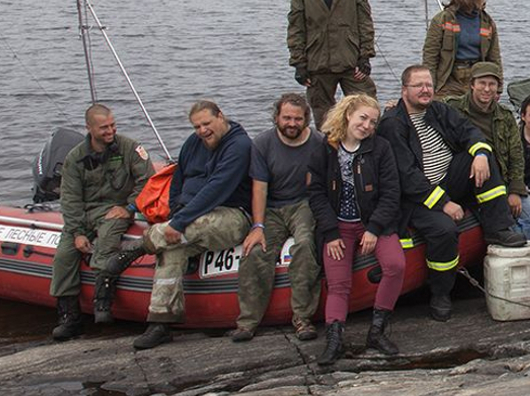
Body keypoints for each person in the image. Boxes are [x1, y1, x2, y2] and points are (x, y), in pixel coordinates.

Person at [379, 65, 525, 322]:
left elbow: (468, 131)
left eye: (429, 85)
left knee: (483, 155)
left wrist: (480, 153)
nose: (425, 90)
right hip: (417, 198)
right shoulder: (393, 124)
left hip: (447, 180)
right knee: (444, 230)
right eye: (418, 85)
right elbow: (407, 176)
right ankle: (440, 293)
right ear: (404, 90)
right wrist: (444, 203)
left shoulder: (438, 110)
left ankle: (498, 227)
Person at [130, 100, 252, 350]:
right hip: (191, 214)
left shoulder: (239, 145)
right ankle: (161, 322)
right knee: (171, 249)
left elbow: (216, 189)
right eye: (197, 126)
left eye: (207, 123)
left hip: (232, 215)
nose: (202, 131)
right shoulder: (192, 143)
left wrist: (179, 222)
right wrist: (177, 212)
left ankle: (136, 249)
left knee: (184, 229)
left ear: (221, 116)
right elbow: (178, 180)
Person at [309, 94, 405, 365]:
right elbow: (316, 194)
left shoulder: (381, 148)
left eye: (373, 122)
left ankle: (377, 331)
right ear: (348, 114)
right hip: (338, 225)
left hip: (373, 222)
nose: (367, 126)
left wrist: (374, 228)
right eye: (363, 118)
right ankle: (334, 339)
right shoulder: (325, 148)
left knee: (395, 265)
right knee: (338, 284)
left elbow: (391, 193)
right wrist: (330, 233)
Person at [50, 104, 153, 340]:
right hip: (85, 214)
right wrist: (77, 232)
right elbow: (70, 199)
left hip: (114, 210)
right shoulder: (75, 158)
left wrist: (129, 208)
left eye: (112, 125)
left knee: (106, 241)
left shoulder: (129, 148)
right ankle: (69, 317)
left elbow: (147, 181)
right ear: (89, 128)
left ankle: (102, 301)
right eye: (104, 127)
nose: (110, 131)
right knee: (64, 256)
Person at [231, 93, 324, 343]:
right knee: (256, 252)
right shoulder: (263, 143)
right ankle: (247, 321)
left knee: (306, 245)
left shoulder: (318, 142)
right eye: (287, 118)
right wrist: (258, 226)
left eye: (297, 119)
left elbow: (318, 184)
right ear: (277, 118)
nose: (292, 123)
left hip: (303, 204)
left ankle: (302, 318)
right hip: (272, 207)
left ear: (306, 119)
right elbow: (259, 188)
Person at [445, 62, 530, 242]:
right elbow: (424, 108)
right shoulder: (453, 107)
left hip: (500, 180)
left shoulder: (505, 116)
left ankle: (520, 254)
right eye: (482, 83)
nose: (487, 89)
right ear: (472, 84)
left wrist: (515, 190)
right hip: (467, 177)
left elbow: (516, 157)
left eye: (492, 84)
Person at [288, 0, 377, 126]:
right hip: (317, 63)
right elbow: (296, 28)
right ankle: (330, 145)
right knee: (324, 120)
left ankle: (365, 143)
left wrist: (365, 56)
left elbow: (365, 22)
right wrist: (299, 63)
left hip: (351, 61)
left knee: (366, 108)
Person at [423, 0, 502, 98]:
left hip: (477, 78)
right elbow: (430, 57)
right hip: (449, 79)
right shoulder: (442, 20)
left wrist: (498, 89)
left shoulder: (487, 22)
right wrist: (429, 86)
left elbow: (495, 58)